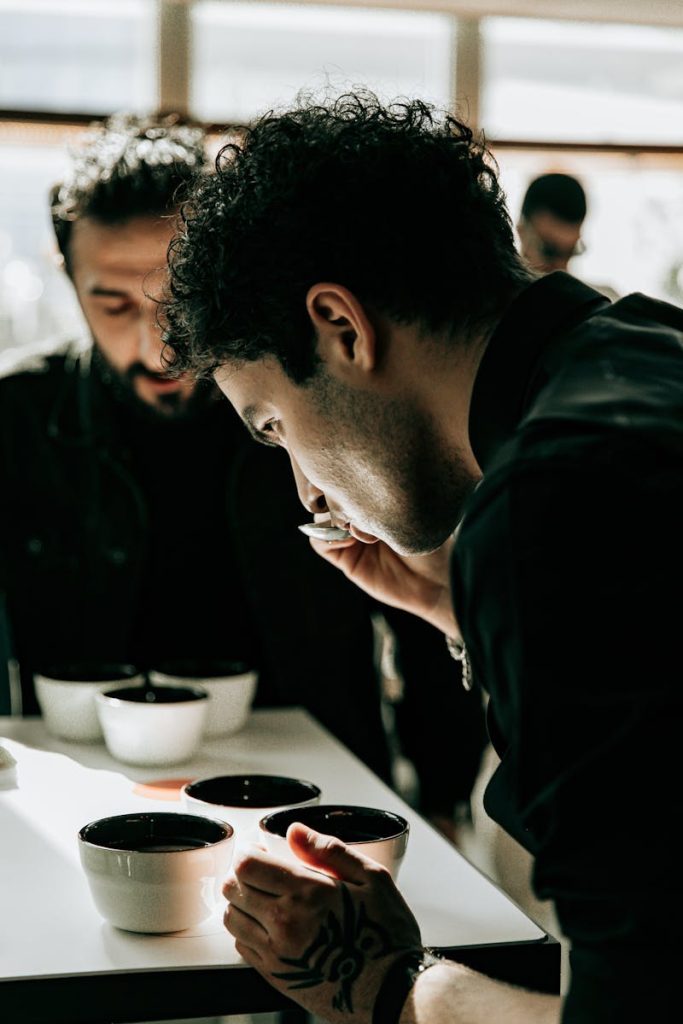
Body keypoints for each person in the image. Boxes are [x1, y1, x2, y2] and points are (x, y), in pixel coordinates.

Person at [162, 92, 683, 1022]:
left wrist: (383, 982)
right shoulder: (648, 349)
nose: (309, 494)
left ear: (343, 328)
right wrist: (456, 615)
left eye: (276, 427)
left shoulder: (554, 500)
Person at [0, 113, 487, 833]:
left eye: (175, 305)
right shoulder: (17, 419)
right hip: (89, 791)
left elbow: (417, 605)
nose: (158, 347)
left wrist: (442, 795)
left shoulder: (321, 400)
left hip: (318, 786)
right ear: (65, 274)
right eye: (111, 303)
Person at [517, 171, 619, 300]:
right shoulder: (495, 303)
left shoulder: (604, 301)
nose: (560, 267)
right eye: (549, 251)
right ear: (521, 231)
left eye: (570, 252)